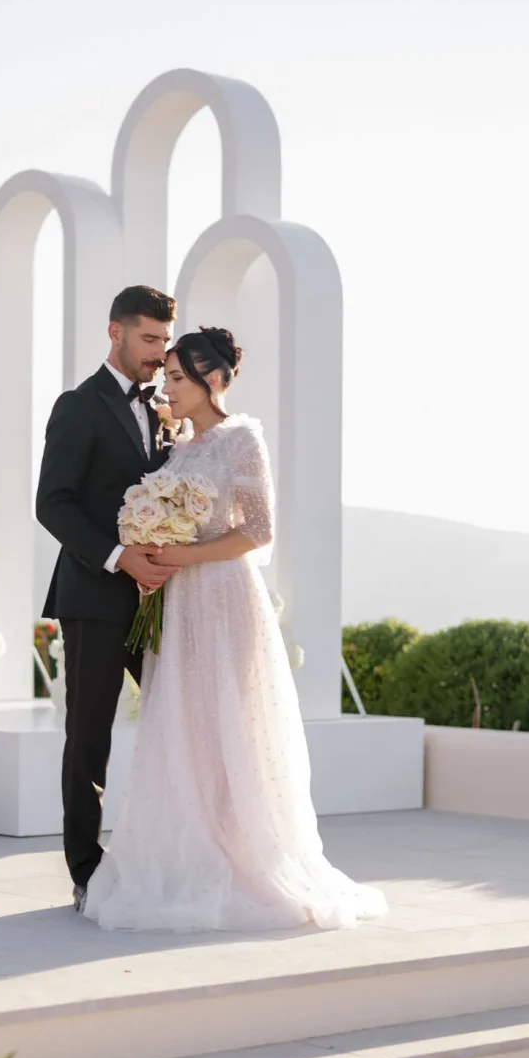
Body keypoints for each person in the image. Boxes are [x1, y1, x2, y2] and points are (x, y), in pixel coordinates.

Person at [83, 326, 388, 932]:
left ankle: (246, 858)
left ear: (213, 380)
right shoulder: (176, 450)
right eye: (165, 375)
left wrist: (178, 558)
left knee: (231, 722)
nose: (165, 387)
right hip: (179, 601)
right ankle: (186, 853)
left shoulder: (242, 439)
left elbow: (257, 531)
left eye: (176, 377)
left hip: (223, 599)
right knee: (182, 724)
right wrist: (151, 556)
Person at [36, 284, 178, 911]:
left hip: (160, 598)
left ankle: (174, 852)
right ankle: (86, 871)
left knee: (182, 724)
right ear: (115, 333)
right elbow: (53, 503)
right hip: (94, 596)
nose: (158, 353)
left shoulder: (166, 407)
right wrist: (120, 556)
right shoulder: (78, 405)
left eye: (164, 342)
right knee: (89, 736)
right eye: (149, 339)